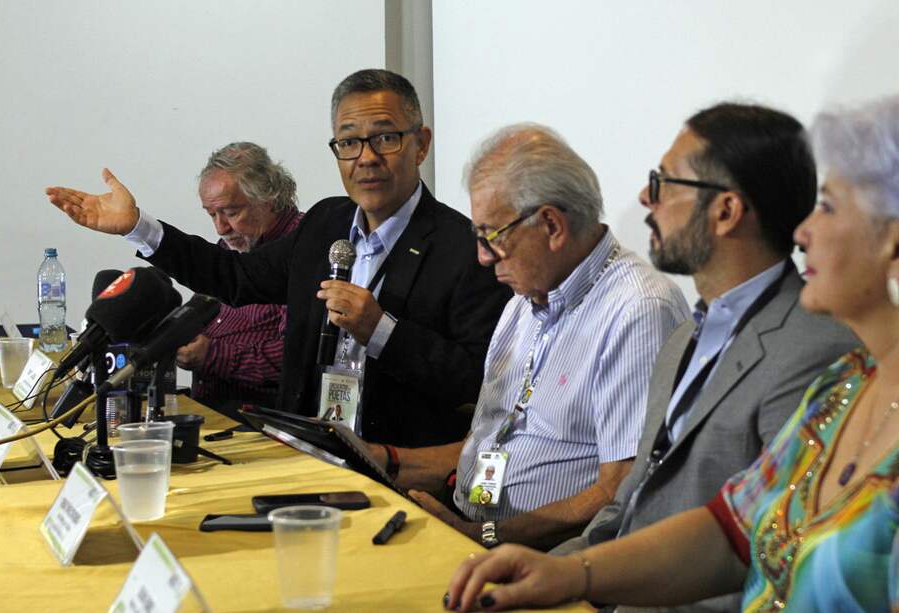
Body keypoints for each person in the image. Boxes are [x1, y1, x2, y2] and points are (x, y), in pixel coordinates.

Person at [443, 96, 899, 613]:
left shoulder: (815, 352)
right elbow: (728, 528)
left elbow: (764, 567)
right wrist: (567, 576)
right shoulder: (839, 380)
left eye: (830, 206)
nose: (803, 231)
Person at [46, 69, 511, 446]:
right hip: (305, 447)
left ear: (421, 143)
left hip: (397, 460)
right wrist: (137, 226)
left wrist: (382, 332)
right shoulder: (327, 223)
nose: (366, 157)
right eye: (349, 142)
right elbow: (232, 277)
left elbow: (475, 381)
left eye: (385, 138)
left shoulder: (463, 246)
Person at [551, 103, 859, 612]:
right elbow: (629, 504)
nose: (647, 198)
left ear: (726, 211)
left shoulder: (813, 350)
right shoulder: (683, 338)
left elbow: (772, 560)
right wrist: (555, 575)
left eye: (665, 182)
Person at [371, 124, 688, 551]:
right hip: (473, 528)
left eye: (491, 237)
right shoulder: (526, 296)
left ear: (552, 225)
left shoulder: (637, 311)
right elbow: (493, 441)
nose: (483, 257)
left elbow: (622, 490)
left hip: (546, 560)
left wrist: (480, 536)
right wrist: (387, 461)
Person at [174, 142, 303, 418]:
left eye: (231, 213)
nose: (220, 228)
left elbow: (295, 357)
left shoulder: (302, 248)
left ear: (269, 198)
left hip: (265, 427)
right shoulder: (234, 245)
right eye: (212, 214)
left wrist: (213, 356)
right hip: (211, 415)